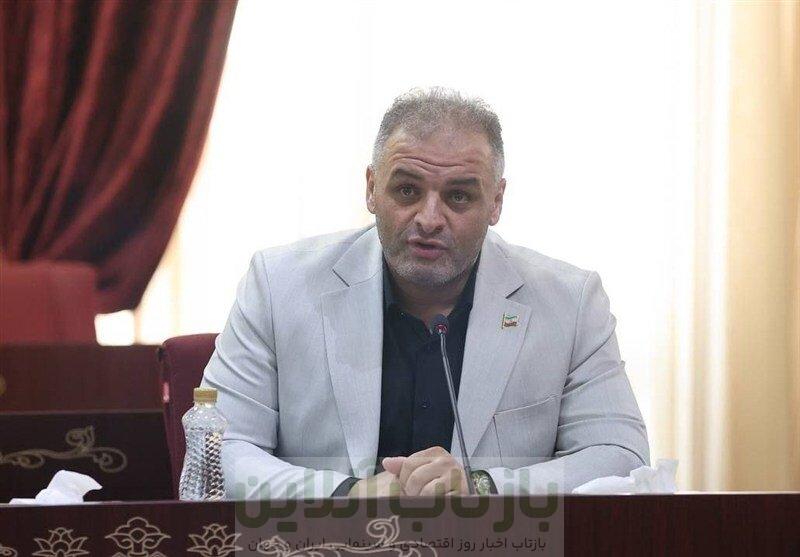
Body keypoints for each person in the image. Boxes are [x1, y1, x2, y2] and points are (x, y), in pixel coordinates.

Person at [201, 87, 649, 499]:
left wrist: (481, 486)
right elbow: (216, 452)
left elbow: (620, 457)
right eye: (407, 190)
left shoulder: (571, 302)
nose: (429, 218)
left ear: (496, 201)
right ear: (372, 188)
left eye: (458, 197)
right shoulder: (278, 285)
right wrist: (348, 496)